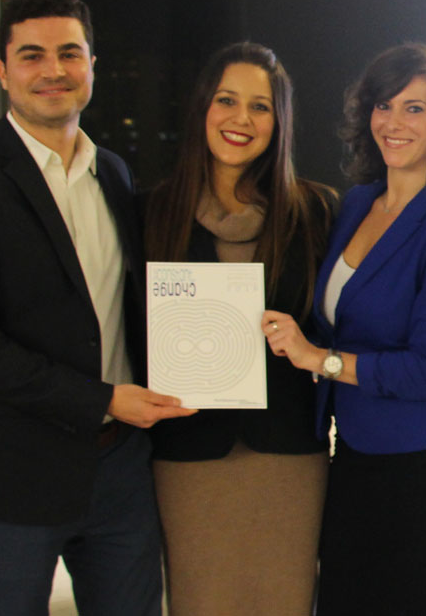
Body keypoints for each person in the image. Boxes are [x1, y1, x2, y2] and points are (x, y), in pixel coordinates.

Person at [0, 0, 195, 616]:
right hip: (11, 480)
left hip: (120, 469)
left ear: (92, 63)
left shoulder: (115, 174)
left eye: (70, 53)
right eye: (33, 55)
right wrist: (101, 399)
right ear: (2, 71)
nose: (54, 71)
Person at [262, 42, 426, 616]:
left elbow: (422, 373)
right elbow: (352, 318)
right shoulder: (356, 204)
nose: (393, 123)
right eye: (383, 105)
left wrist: (319, 359)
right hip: (360, 444)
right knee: (343, 597)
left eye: (415, 109)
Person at [141, 41, 337, 616]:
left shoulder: (316, 212)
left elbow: (356, 306)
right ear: (203, 106)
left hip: (288, 458)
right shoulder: (149, 213)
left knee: (284, 601)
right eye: (227, 100)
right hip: (187, 455)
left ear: (279, 121)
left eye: (261, 106)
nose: (241, 119)